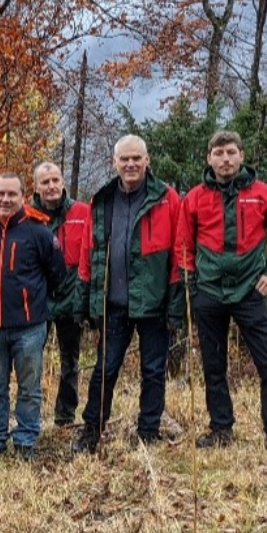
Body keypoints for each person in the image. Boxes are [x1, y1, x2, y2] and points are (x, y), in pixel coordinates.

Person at [176, 130, 267, 456]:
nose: (225, 159)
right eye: (219, 153)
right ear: (209, 158)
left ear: (241, 156)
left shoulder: (262, 194)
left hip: (249, 292)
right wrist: (191, 285)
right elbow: (183, 244)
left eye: (231, 152)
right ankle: (221, 428)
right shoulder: (195, 198)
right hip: (210, 292)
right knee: (213, 366)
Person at [73, 135, 183, 454]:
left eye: (137, 158)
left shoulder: (167, 199)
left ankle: (148, 432)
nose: (131, 164)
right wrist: (85, 302)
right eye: (125, 159)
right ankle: (91, 431)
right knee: (105, 369)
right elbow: (87, 252)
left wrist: (175, 306)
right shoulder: (103, 200)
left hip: (154, 304)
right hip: (114, 305)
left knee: (153, 370)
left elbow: (178, 253)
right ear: (115, 163)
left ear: (147, 160)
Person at [0, 173, 66, 466]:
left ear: (23, 196)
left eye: (12, 194)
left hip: (30, 327)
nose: (5, 199)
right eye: (1, 194)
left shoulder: (38, 232)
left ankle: (25, 439)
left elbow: (57, 273)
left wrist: (32, 302)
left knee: (29, 388)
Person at [30, 162, 91, 427]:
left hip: (71, 298)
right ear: (36, 187)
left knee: (70, 360)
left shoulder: (83, 212)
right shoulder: (26, 216)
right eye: (45, 182)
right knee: (31, 360)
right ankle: (30, 416)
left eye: (55, 180)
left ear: (63, 182)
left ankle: (65, 417)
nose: (52, 186)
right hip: (38, 298)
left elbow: (90, 254)